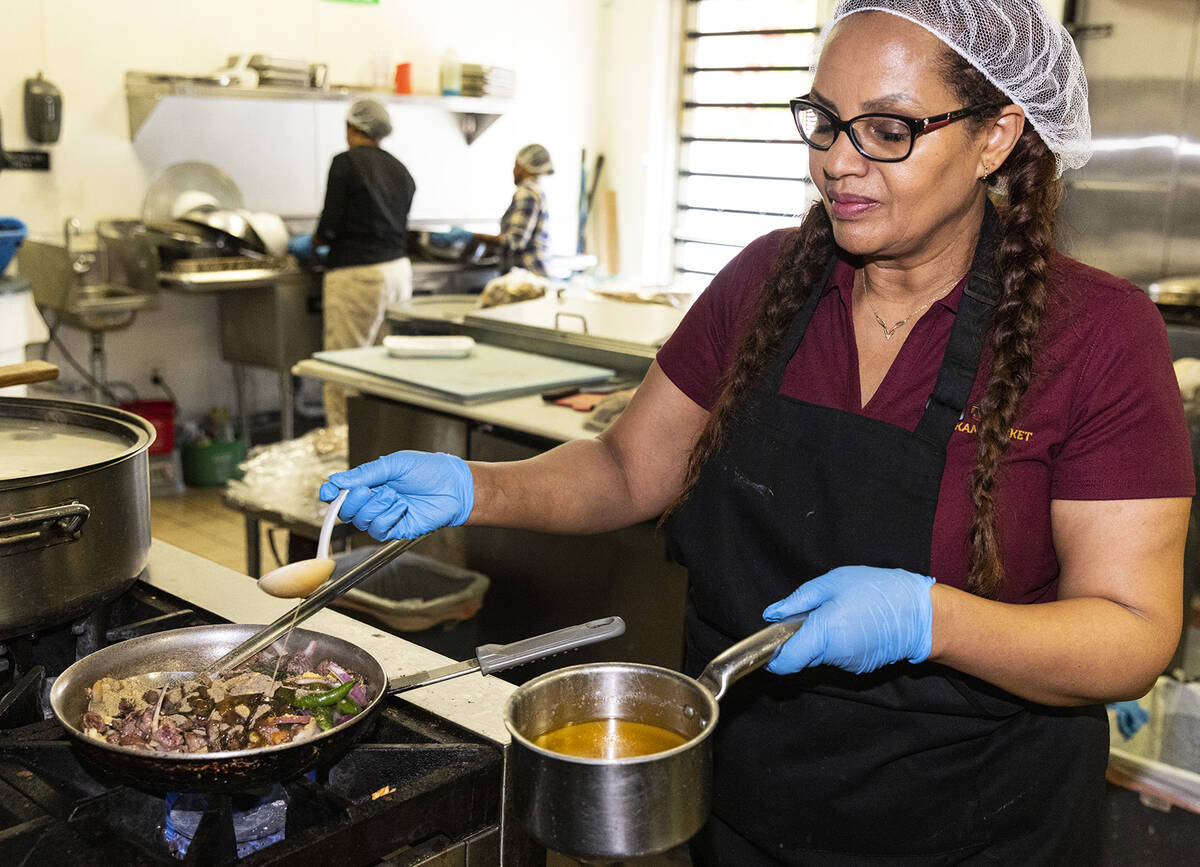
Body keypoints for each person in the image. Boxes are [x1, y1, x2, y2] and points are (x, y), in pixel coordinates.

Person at [318, 2, 1194, 863]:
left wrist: (930, 620)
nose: (839, 163)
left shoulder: (1094, 334)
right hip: (743, 798)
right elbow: (628, 468)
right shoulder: (765, 282)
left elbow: (1129, 634)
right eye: (823, 121)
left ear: (997, 136)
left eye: (888, 129)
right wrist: (475, 486)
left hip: (973, 820)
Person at [312, 98, 416, 427]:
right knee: (388, 365)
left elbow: (330, 225)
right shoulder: (401, 170)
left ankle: (343, 453)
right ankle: (383, 448)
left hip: (358, 274)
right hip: (398, 273)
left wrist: (313, 243)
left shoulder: (345, 163)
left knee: (344, 366)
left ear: (351, 128)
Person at [474, 143, 553, 276]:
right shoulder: (536, 190)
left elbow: (515, 241)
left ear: (524, 167)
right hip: (531, 274)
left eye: (516, 165)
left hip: (527, 275)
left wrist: (474, 237)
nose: (513, 170)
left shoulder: (527, 192)